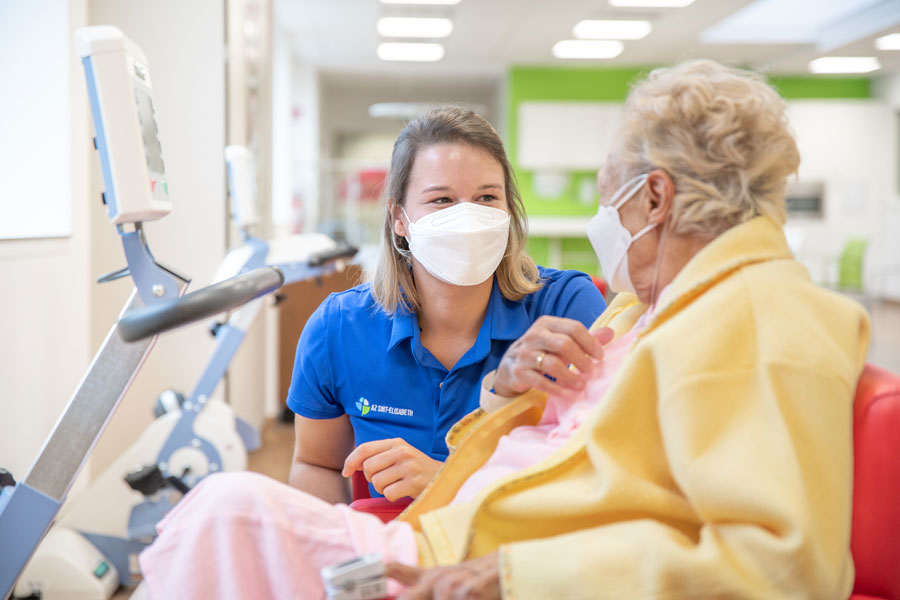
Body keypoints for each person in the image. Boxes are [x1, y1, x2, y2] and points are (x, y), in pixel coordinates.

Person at [138, 60, 870, 599]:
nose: (601, 218)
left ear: (653, 198)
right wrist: (505, 398)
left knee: (224, 513)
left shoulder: (755, 319)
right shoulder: (646, 309)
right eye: (442, 198)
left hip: (480, 556)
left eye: (606, 190)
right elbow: (569, 452)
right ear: (399, 218)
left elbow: (784, 570)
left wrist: (512, 576)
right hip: (448, 532)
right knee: (224, 509)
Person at [286, 106, 607, 504]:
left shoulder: (565, 308)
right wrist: (347, 552)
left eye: (487, 197)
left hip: (511, 552)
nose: (467, 219)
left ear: (508, 209)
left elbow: (602, 468)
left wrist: (450, 480)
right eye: (441, 200)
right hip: (386, 549)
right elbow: (317, 464)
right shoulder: (340, 328)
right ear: (399, 218)